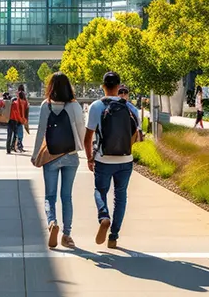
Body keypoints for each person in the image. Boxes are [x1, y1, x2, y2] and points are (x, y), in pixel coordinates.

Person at [84, 71, 141, 249]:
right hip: (125, 160)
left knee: (100, 191)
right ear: (118, 86)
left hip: (103, 159)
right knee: (121, 196)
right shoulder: (130, 108)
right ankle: (114, 236)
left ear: (103, 86)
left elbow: (88, 137)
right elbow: (136, 135)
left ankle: (104, 217)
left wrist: (89, 158)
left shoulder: (96, 106)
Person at [32, 72, 85, 249]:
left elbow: (40, 132)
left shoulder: (45, 106)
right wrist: (84, 149)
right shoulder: (74, 106)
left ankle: (52, 222)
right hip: (70, 156)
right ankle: (67, 235)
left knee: (50, 196)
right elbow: (81, 130)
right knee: (67, 196)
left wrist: (34, 155)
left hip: (51, 156)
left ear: (51, 87)